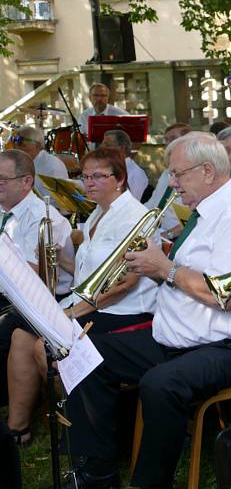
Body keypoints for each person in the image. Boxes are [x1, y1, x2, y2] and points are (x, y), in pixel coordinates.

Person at [50, 132, 231, 489]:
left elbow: (227, 296)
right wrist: (151, 267)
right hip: (176, 336)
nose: (171, 183)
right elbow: (185, 275)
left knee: (160, 383)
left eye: (177, 174)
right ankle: (97, 467)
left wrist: (165, 268)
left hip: (225, 346)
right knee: (82, 352)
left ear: (206, 171)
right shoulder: (205, 213)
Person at [7, 147, 157, 448]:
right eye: (85, 176)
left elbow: (125, 282)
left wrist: (74, 311)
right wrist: (60, 259)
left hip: (127, 311)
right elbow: (90, 272)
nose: (89, 182)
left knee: (46, 346)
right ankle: (28, 425)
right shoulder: (98, 214)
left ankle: (83, 427)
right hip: (94, 303)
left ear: (120, 179)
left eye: (99, 176)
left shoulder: (133, 217)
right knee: (21, 336)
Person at [0, 150, 74, 443]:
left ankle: (18, 426)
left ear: (27, 181)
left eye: (2, 180)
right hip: (9, 294)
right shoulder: (5, 210)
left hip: (41, 298)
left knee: (6, 331)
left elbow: (33, 273)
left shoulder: (45, 218)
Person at [142, 123, 191, 239]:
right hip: (156, 233)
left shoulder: (193, 174)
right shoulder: (166, 173)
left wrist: (168, 235)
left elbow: (196, 217)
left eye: (173, 139)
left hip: (178, 238)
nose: (168, 143)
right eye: (166, 140)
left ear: (188, 141)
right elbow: (152, 204)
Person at [8, 126, 70, 200]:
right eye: (14, 143)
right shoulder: (24, 162)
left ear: (37, 145)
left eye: (21, 143)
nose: (16, 147)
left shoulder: (52, 166)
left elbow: (59, 202)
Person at [101, 129, 148, 201]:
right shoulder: (110, 168)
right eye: (103, 145)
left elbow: (132, 203)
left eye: (108, 145)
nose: (102, 149)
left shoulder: (135, 173)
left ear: (122, 148)